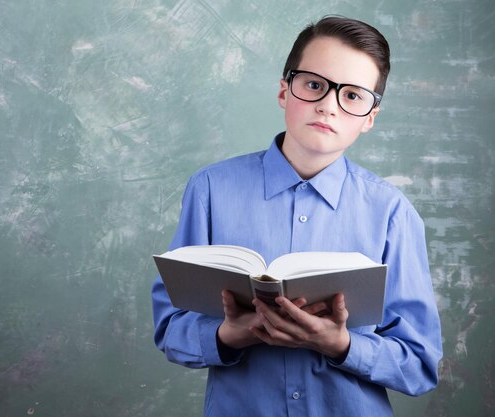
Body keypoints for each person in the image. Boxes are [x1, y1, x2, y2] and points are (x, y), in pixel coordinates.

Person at [151, 15, 442, 417]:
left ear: (370, 118)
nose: (327, 105)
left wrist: (339, 344)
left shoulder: (392, 212)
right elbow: (169, 329)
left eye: (353, 95)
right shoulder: (210, 190)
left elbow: (420, 366)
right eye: (314, 84)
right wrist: (228, 335)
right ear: (285, 91)